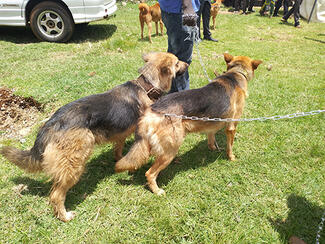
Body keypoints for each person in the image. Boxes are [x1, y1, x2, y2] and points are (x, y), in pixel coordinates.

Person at [158, 0, 200, 92]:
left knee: (174, 53)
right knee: (181, 61)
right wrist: (187, 6)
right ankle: (179, 97)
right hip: (182, 10)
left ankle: (172, 91)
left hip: (172, 10)